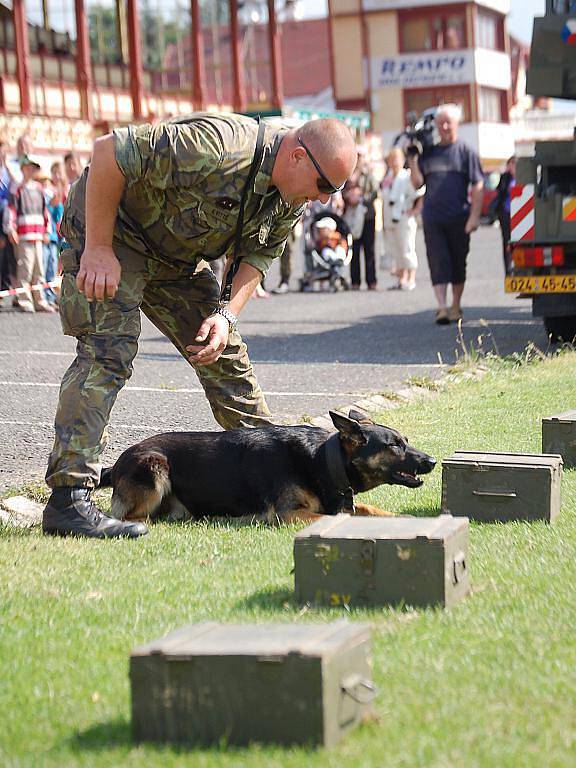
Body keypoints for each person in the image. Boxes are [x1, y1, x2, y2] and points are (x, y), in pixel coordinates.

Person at [42, 112, 357, 539]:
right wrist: (97, 248)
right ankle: (69, 499)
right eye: (325, 186)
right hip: (115, 233)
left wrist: (226, 315)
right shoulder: (217, 146)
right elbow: (108, 153)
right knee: (108, 354)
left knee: (223, 354)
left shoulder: (289, 196)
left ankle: (283, 476)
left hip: (176, 259)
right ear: (299, 157)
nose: (323, 200)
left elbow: (259, 257)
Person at [408, 103, 483, 324]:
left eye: (449, 122)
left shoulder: (465, 152)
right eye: (441, 123)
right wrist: (412, 160)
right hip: (433, 217)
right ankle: (441, 307)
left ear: (457, 124)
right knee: (437, 261)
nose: (445, 127)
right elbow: (417, 183)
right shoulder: (429, 153)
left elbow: (478, 185)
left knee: (458, 263)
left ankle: (455, 305)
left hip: (460, 217)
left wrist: (474, 217)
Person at [3, 154, 54, 313]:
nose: (31, 171)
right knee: (25, 269)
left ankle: (40, 300)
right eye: (29, 168)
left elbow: (44, 211)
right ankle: (25, 300)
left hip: (37, 235)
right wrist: (11, 230)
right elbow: (11, 211)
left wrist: (47, 230)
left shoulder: (39, 189)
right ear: (23, 168)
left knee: (39, 269)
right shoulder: (17, 189)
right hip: (24, 236)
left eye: (34, 168)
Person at [381, 147, 423, 291]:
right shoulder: (387, 178)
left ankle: (411, 278)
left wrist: (415, 210)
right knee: (396, 250)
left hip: (404, 218)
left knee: (407, 248)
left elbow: (420, 192)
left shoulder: (407, 177)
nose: (394, 162)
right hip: (390, 219)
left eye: (396, 159)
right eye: (391, 159)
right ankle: (401, 278)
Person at [346, 146, 379, 290]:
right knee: (354, 249)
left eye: (361, 156)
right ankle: (355, 281)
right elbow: (341, 191)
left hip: (367, 216)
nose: (359, 159)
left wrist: (360, 198)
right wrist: (348, 197)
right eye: (357, 156)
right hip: (352, 217)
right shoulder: (348, 174)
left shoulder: (368, 174)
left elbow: (375, 193)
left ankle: (372, 281)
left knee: (369, 250)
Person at [493, 155, 516, 275]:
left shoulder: (523, 176)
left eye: (513, 165)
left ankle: (517, 265)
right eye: (509, 165)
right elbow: (499, 191)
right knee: (507, 241)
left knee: (518, 241)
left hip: (519, 214)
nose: (511, 167)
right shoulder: (505, 178)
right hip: (506, 212)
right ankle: (508, 269)